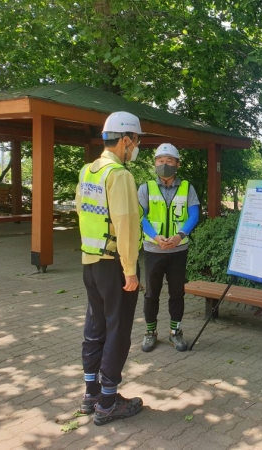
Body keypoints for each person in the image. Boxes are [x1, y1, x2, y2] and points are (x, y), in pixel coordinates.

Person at [76, 111, 144, 425]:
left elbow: (82, 213)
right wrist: (130, 270)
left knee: (95, 326)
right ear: (126, 140)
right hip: (114, 264)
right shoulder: (119, 175)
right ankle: (107, 402)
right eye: (136, 141)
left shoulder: (88, 171)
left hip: (90, 261)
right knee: (118, 329)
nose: (137, 147)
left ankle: (91, 393)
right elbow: (127, 225)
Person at [138, 143, 200, 352]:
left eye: (169, 161)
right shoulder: (145, 188)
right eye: (160, 160)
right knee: (151, 294)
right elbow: (141, 216)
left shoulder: (187, 188)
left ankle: (175, 332)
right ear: (155, 163)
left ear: (177, 164)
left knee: (177, 293)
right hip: (153, 249)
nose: (164, 164)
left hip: (178, 250)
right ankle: (150, 332)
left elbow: (194, 215)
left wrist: (179, 236)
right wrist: (156, 237)